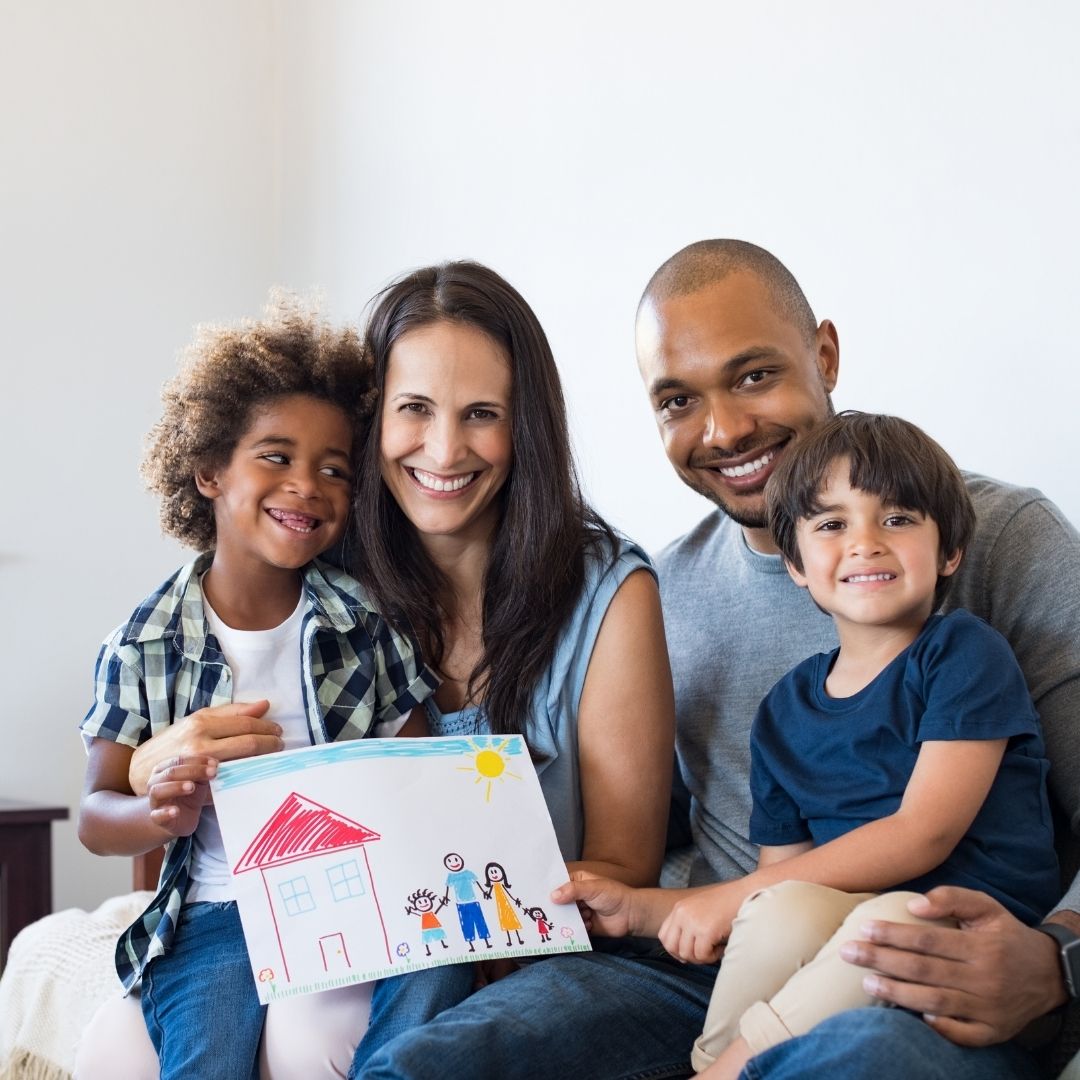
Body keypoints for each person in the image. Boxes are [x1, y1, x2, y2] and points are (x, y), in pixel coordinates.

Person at [357, 240, 1080, 1080]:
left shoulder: (1000, 541)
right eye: (677, 400)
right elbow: (651, 841)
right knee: (431, 1064)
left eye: (752, 377)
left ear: (826, 355)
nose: (724, 429)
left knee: (852, 1060)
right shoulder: (665, 589)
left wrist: (1057, 961)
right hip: (707, 968)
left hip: (924, 976)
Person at [91, 260, 676, 1078]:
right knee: (122, 1045)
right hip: (320, 920)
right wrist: (157, 759)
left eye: (482, 415)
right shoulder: (324, 571)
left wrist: (480, 922)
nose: (444, 449)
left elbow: (622, 869)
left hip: (509, 941)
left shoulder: (610, 592)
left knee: (328, 1042)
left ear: (526, 429)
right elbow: (164, 739)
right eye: (414, 410)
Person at [75, 298, 438, 1080]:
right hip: (215, 913)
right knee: (207, 1053)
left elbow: (422, 769)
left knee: (434, 973)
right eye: (276, 457)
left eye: (334, 468)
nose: (307, 485)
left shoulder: (364, 624)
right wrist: (157, 812)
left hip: (351, 896)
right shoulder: (141, 643)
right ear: (209, 470)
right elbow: (96, 815)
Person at [685, 412, 1058, 1076]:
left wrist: (730, 893)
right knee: (781, 910)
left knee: (883, 920)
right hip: (850, 929)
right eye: (832, 525)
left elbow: (924, 834)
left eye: (897, 519)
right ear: (795, 563)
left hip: (961, 928)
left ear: (949, 552)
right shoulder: (784, 710)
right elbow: (785, 876)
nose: (864, 543)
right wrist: (753, 897)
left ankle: (730, 1071)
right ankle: (712, 1063)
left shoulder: (962, 653)